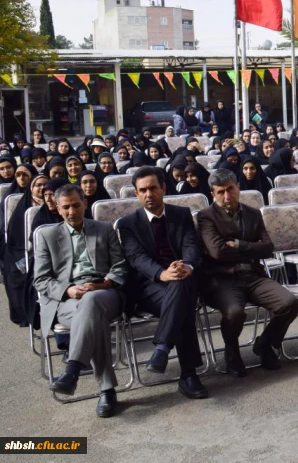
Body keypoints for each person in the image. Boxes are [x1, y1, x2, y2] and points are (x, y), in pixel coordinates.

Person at [33, 184, 129, 417]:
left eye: (76, 205)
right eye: (66, 207)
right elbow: (41, 280)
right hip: (67, 301)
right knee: (90, 314)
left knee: (93, 302)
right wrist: (68, 290)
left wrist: (106, 282)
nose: (72, 211)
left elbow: (121, 266)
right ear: (57, 208)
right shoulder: (47, 236)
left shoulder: (104, 229)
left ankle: (72, 370)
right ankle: (106, 389)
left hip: (104, 292)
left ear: (85, 203)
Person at [197, 170, 298, 377]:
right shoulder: (205, 217)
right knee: (235, 313)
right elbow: (217, 252)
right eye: (220, 192)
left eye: (230, 189)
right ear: (212, 194)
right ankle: (232, 352)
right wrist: (251, 249)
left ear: (238, 187)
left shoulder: (253, 213)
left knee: (289, 303)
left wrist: (239, 245)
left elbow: (268, 248)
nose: (226, 196)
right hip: (222, 279)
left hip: (253, 275)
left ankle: (265, 343)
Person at [117, 167, 208, 399]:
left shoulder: (181, 214)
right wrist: (162, 274)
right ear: (137, 194)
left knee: (181, 286)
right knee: (182, 301)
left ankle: (162, 347)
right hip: (149, 286)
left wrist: (187, 265)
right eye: (143, 190)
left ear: (163, 188)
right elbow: (137, 258)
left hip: (183, 277)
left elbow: (190, 245)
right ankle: (188, 375)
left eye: (153, 188)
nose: (149, 194)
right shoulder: (127, 224)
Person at [3, 174, 47, 327]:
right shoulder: (23, 207)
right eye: (38, 185)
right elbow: (15, 240)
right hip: (23, 252)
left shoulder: (58, 207)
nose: (41, 188)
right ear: (31, 188)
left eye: (45, 185)